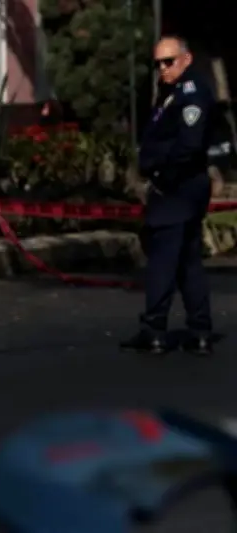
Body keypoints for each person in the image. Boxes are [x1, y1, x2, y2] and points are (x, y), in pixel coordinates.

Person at [120, 35, 215, 356]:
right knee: (188, 260)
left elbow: (189, 145)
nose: (163, 68)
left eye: (169, 61)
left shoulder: (190, 93)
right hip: (183, 187)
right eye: (158, 63)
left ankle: (154, 328)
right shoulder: (172, 93)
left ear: (185, 59)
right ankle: (199, 329)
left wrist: (162, 176)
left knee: (163, 259)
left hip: (178, 188)